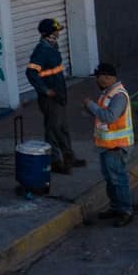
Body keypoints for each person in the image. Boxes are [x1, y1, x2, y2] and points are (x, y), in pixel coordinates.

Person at [26, 18, 81, 174]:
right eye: (56, 30)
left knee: (63, 128)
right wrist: (45, 90)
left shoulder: (52, 47)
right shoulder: (42, 50)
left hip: (59, 96)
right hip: (50, 99)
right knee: (53, 130)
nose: (59, 32)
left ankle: (69, 157)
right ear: (50, 32)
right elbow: (31, 73)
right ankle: (55, 161)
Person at [87, 62, 135, 226]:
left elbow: (109, 117)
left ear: (107, 77)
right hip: (107, 146)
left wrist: (90, 105)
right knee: (110, 179)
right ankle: (115, 207)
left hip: (116, 147)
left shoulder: (118, 95)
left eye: (98, 77)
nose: (97, 81)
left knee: (118, 179)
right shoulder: (107, 93)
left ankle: (125, 210)